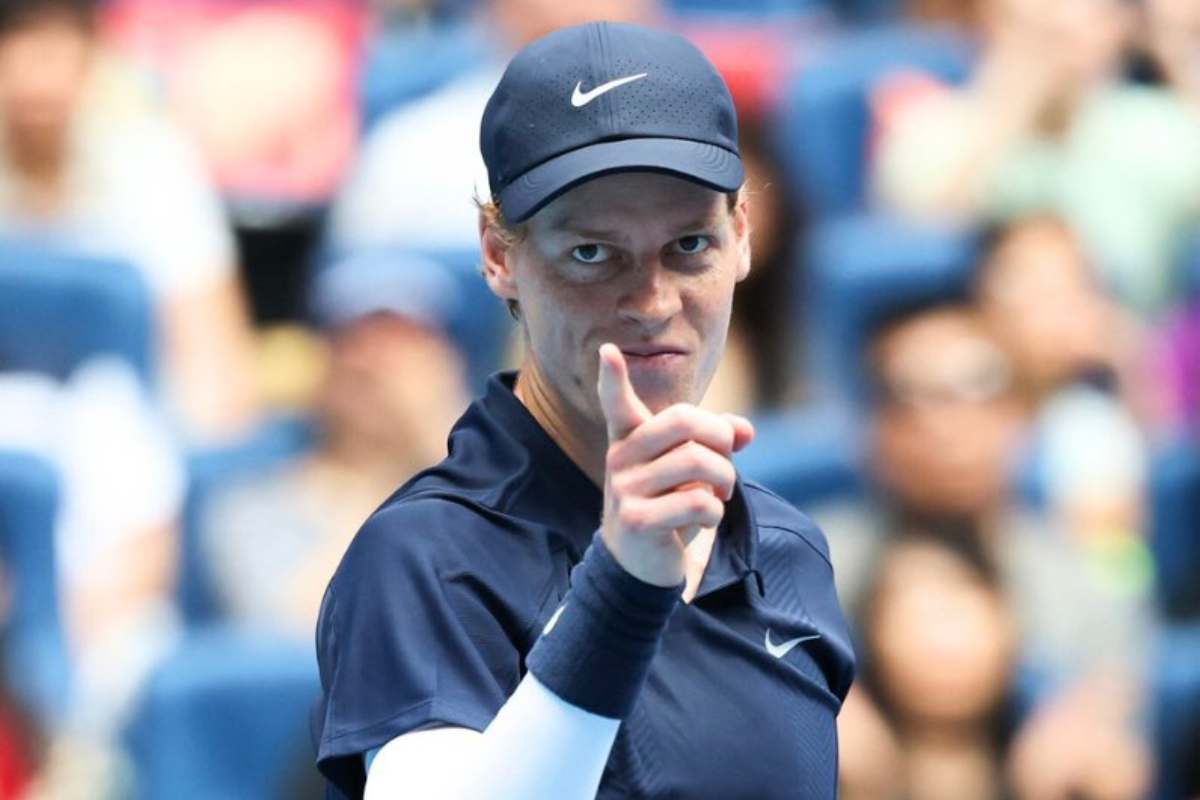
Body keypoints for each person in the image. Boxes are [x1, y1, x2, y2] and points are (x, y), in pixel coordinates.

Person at [313, 21, 855, 800]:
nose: (652, 302)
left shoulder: (787, 550)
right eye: (592, 253)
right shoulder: (422, 555)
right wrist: (623, 590)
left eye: (689, 246)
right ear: (499, 254)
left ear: (741, 235)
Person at [813, 301, 1151, 799]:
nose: (945, 424)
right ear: (873, 424)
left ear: (1019, 412)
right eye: (913, 397)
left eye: (977, 390)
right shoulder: (805, 563)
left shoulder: (1083, 578)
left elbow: (1118, 702)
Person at [0, 0, 258, 441]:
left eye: (58, 43)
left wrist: (188, 452)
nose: (39, 72)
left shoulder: (152, 164)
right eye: (17, 39)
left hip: (123, 435)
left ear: (91, 53)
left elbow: (213, 359)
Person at [870, 0, 1200, 318]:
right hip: (989, 342)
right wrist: (1007, 107)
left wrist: (1176, 46)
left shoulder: (1160, 126)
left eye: (1078, 21)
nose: (1056, 44)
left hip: (1130, 335)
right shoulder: (932, 126)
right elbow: (921, 238)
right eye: (1036, 26)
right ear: (986, 23)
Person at [201, 253, 470, 638]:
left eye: (407, 343)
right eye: (358, 343)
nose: (381, 366)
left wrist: (447, 446)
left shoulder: (493, 485)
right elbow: (299, 635)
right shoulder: (250, 506)